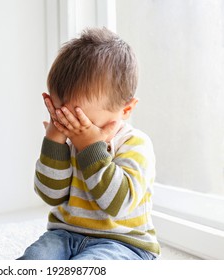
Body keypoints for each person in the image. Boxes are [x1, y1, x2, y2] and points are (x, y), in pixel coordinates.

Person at [17, 27, 160, 260]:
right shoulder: (66, 137)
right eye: (62, 117)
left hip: (124, 243)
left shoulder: (135, 144)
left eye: (86, 121)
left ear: (126, 110)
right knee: (32, 262)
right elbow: (50, 196)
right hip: (64, 234)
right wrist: (54, 140)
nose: (73, 129)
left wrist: (89, 147)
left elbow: (117, 204)